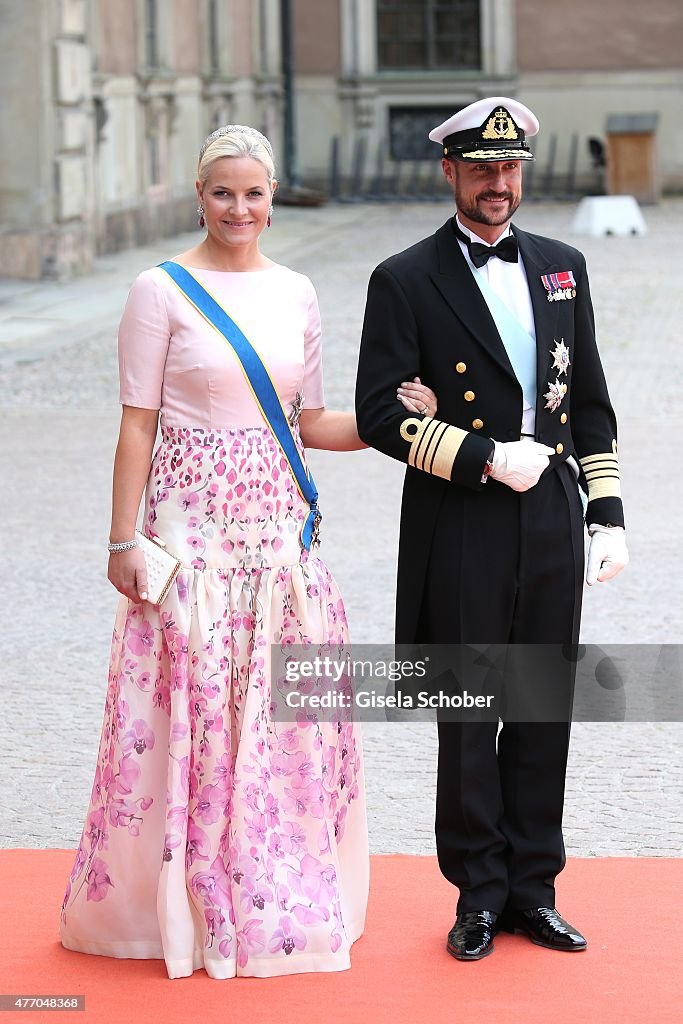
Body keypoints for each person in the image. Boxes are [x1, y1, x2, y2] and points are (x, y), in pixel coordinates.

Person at [59, 124, 437, 980]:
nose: (239, 208)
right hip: (191, 535)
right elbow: (137, 423)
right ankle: (179, 902)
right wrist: (126, 539)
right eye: (223, 192)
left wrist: (395, 422)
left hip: (275, 536)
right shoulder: (158, 290)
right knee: (193, 709)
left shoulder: (297, 292)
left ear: (272, 198)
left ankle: (275, 882)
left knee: (275, 710)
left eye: (254, 193)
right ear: (199, 194)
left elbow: (310, 423)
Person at [355, 97, 629, 961]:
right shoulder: (403, 277)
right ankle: (476, 893)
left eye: (508, 169)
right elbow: (375, 414)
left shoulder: (562, 266)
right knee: (471, 713)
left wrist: (606, 513)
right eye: (480, 169)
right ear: (449, 172)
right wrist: (477, 456)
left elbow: (588, 402)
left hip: (548, 512)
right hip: (463, 518)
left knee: (541, 708)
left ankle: (532, 891)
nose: (496, 184)